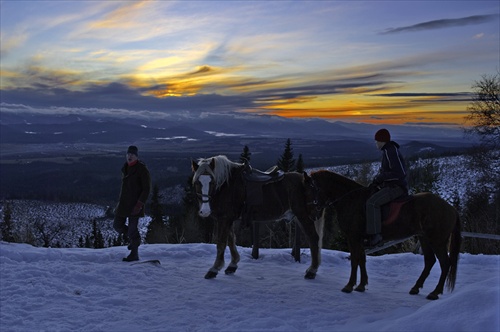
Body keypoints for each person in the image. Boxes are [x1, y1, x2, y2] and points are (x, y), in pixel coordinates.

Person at [365, 129, 408, 247]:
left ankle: (375, 235)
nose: (376, 144)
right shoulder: (389, 150)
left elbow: (399, 173)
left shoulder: (390, 152)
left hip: (396, 187)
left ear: (381, 141)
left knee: (372, 203)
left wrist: (380, 178)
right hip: (391, 185)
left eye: (377, 141)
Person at [113, 145, 151, 261]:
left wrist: (139, 205)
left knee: (132, 230)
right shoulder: (125, 167)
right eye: (128, 154)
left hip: (135, 205)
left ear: (136, 157)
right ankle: (134, 240)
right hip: (123, 204)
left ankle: (134, 254)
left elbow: (147, 188)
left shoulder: (142, 169)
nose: (130, 156)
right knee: (117, 226)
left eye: (132, 155)